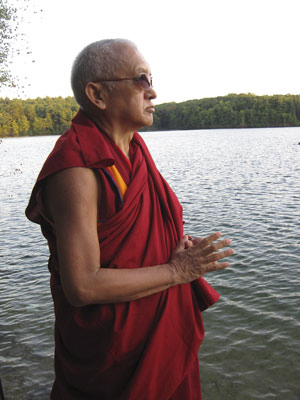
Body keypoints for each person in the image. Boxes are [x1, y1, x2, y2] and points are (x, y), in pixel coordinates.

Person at [25, 39, 234, 400]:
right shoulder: (77, 168)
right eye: (141, 79)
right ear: (98, 94)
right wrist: (178, 271)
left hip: (157, 337)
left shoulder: (134, 150)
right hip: (112, 357)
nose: (152, 91)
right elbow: (83, 287)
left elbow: (133, 236)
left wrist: (174, 246)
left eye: (151, 78)